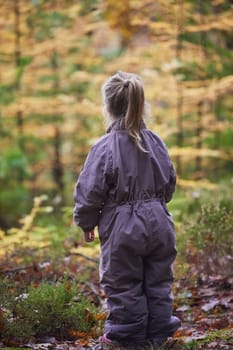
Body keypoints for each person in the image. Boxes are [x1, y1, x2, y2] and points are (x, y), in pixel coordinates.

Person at [73, 71, 181, 350]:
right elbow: (169, 181)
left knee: (124, 284)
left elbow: (90, 190)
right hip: (159, 223)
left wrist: (87, 222)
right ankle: (158, 335)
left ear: (108, 108)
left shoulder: (104, 147)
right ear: (141, 104)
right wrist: (156, 204)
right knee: (158, 281)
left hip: (123, 228)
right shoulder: (156, 142)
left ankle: (127, 337)